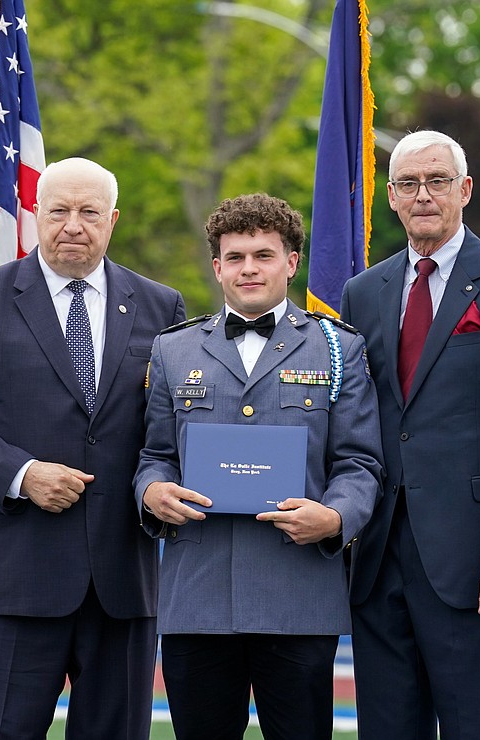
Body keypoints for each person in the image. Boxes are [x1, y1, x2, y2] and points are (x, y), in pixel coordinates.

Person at [0, 157, 186, 739]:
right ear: (36, 213)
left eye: (89, 212)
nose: (73, 224)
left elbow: (170, 433)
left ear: (112, 221)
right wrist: (22, 473)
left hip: (122, 584)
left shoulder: (162, 307)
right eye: (59, 210)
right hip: (15, 580)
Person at [340, 130, 480, 739]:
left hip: (474, 564)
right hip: (378, 559)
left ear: (464, 190)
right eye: (409, 183)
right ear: (390, 196)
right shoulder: (363, 294)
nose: (424, 195)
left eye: (437, 181)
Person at [135, 193, 383, 739]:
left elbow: (360, 462)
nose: (249, 268)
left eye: (264, 255)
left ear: (291, 263)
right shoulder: (173, 351)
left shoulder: (337, 348)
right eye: (236, 256)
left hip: (296, 596)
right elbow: (154, 456)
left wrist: (336, 518)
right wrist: (152, 493)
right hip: (197, 598)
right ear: (217, 266)